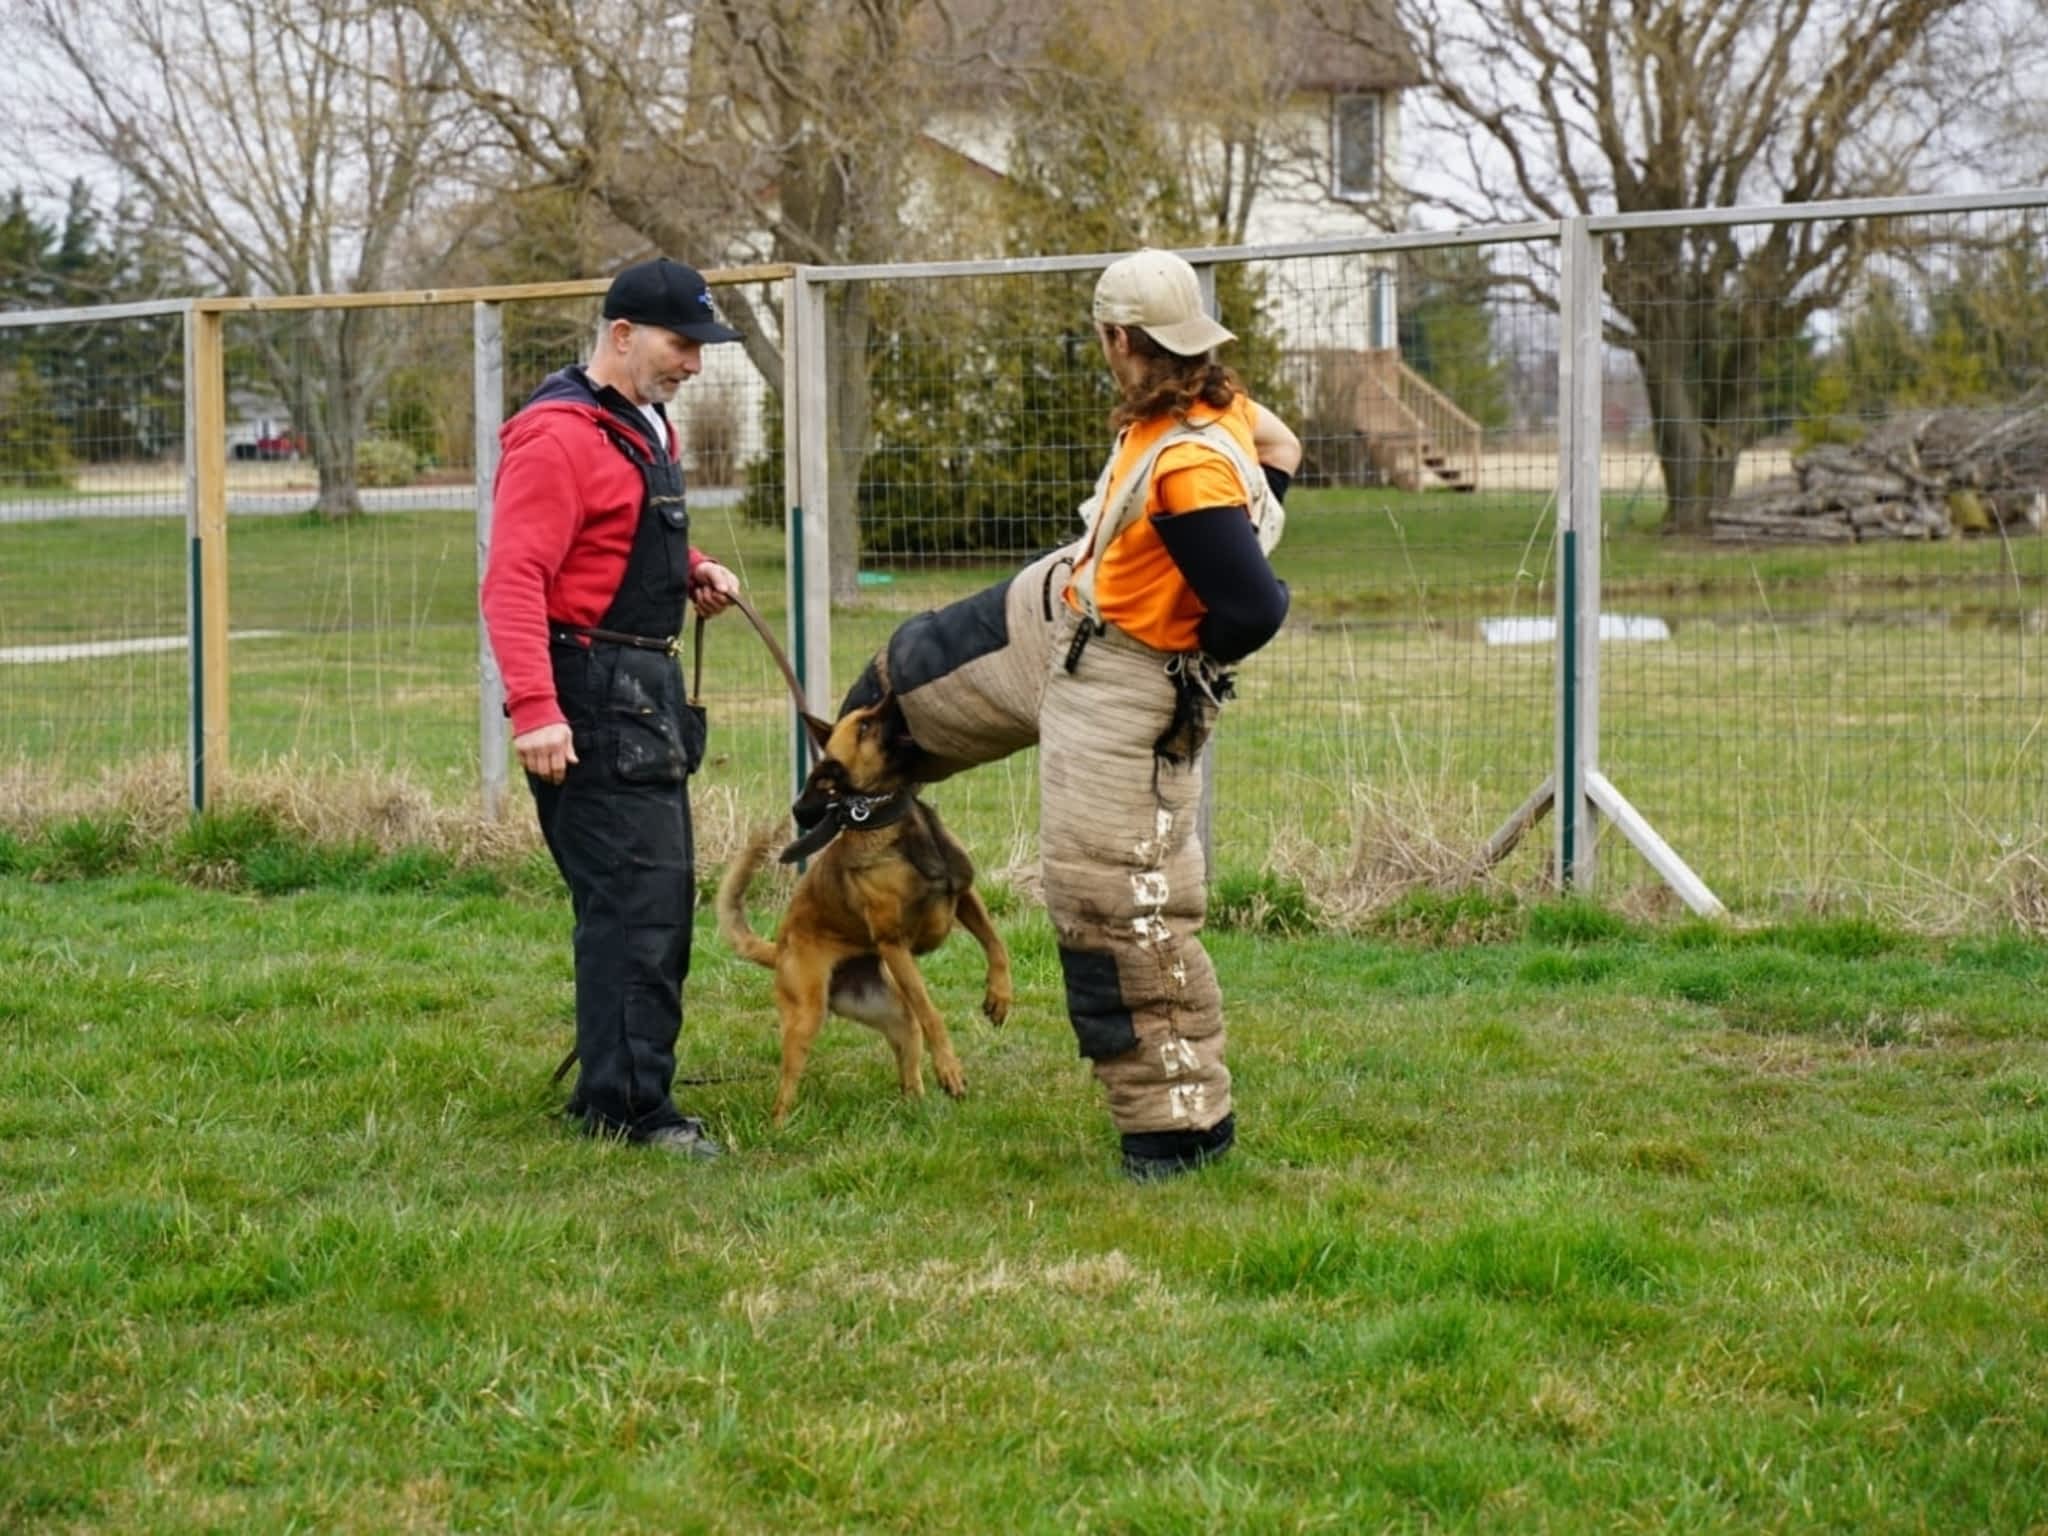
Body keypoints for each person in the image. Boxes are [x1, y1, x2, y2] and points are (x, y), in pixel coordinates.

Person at [1042, 248, 1300, 1180]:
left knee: (1118, 907)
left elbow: (1258, 607)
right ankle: (1179, 1117)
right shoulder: (1215, 405)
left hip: (1133, 687)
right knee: (1127, 897)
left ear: (1116, 338)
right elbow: (1284, 455)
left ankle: (1176, 1134)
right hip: (1112, 661)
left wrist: (1199, 659)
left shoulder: (1186, 464)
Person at [481, 257, 745, 1158]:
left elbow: (619, 526)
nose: (694, 365)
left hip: (645, 691)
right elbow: (514, 579)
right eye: (683, 344)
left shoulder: (640, 427)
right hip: (590, 696)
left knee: (654, 898)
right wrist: (535, 710)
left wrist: (693, 566)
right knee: (636, 907)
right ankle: (629, 1109)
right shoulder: (557, 436)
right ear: (622, 335)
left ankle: (622, 1083)